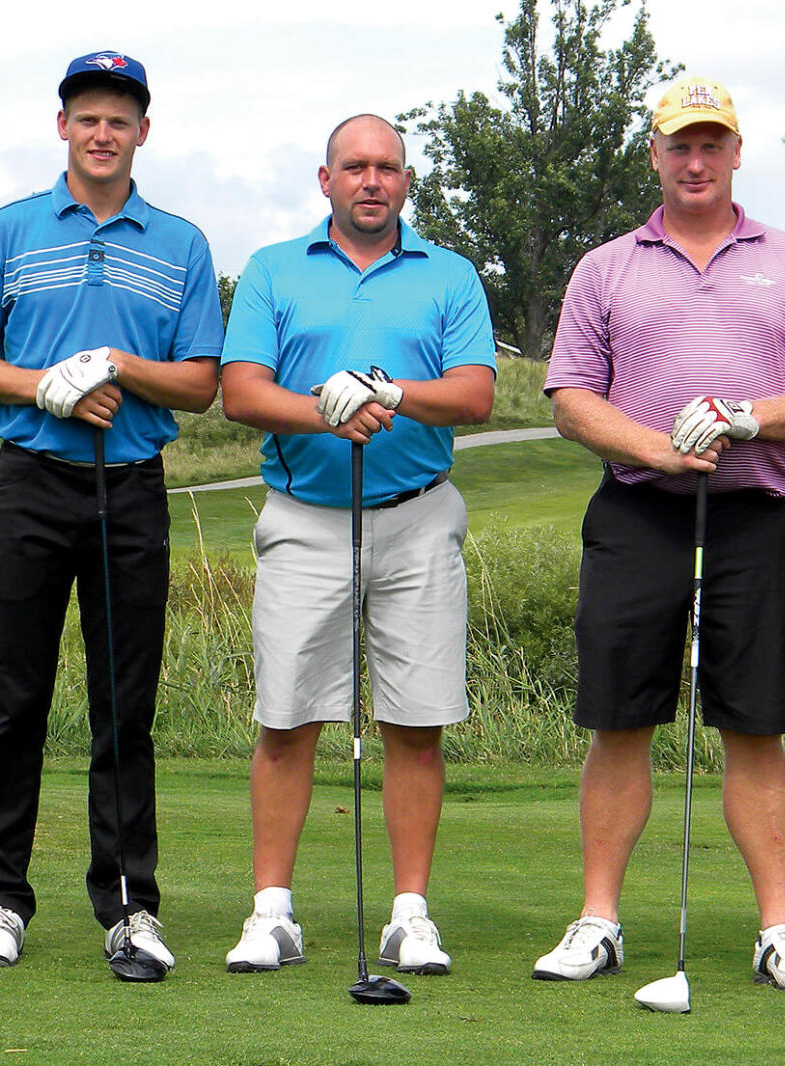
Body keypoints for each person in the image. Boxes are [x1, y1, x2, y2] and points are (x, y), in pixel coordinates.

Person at [532, 75, 785, 993]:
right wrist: (658, 448)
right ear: (656, 154)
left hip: (754, 515)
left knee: (755, 725)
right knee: (620, 719)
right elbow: (569, 399)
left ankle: (780, 929)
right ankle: (599, 920)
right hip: (639, 512)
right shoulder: (606, 267)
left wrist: (747, 418)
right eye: (680, 144)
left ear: (737, 152)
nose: (696, 159)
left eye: (711, 143)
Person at [0, 51, 222, 980]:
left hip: (131, 489)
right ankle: (0, 899)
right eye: (88, 117)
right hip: (31, 479)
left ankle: (130, 906)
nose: (103, 133)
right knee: (13, 700)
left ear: (144, 131)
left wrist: (111, 366)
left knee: (123, 708)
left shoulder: (180, 242)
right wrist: (45, 388)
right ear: (63, 126)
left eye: (120, 119)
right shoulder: (9, 230)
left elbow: (199, 384)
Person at [218, 114, 495, 977]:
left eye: (387, 168)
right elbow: (238, 391)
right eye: (355, 167)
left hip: (416, 513)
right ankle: (272, 913)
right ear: (326, 179)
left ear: (406, 182)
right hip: (304, 515)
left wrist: (386, 392)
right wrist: (324, 409)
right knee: (287, 716)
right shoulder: (273, 270)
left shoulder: (449, 275)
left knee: (416, 722)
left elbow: (475, 395)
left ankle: (409, 914)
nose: (371, 181)